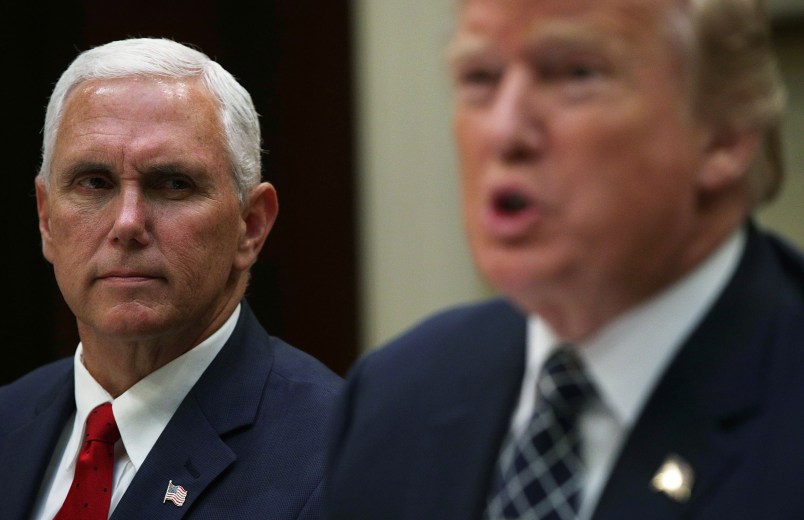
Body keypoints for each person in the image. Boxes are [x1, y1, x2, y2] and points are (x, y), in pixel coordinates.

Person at [326, 0, 804, 518]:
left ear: (726, 133)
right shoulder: (394, 397)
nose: (504, 132)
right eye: (481, 77)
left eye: (575, 74)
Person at [0, 37, 342, 519]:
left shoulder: (343, 459)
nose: (127, 223)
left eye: (174, 184)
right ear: (46, 219)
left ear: (251, 226)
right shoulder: (9, 420)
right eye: (94, 183)